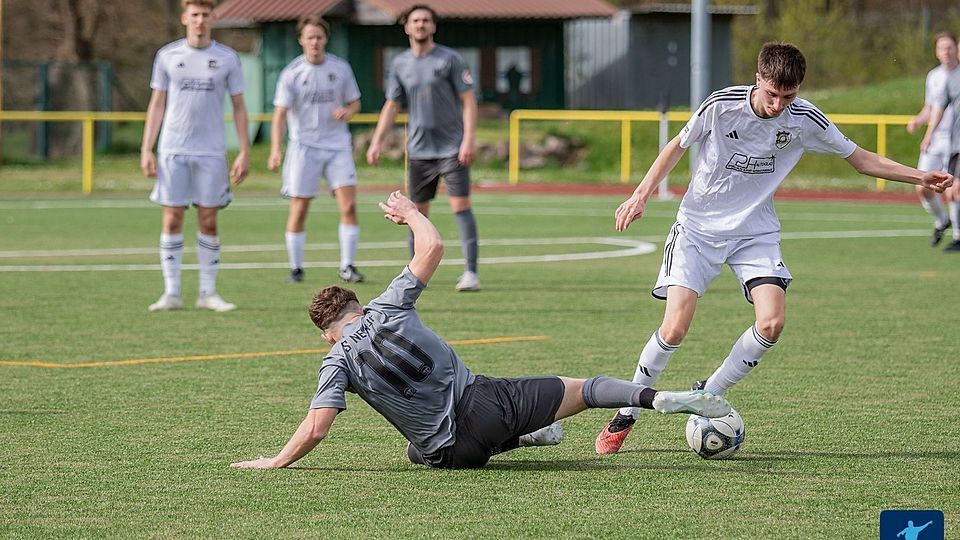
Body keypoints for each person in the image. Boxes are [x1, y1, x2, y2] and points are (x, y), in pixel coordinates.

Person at [595, 41, 954, 455]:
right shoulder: (722, 105)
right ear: (759, 79)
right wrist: (640, 195)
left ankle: (707, 395)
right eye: (773, 94)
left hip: (755, 233)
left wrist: (919, 177)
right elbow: (677, 145)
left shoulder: (804, 118)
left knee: (772, 323)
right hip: (697, 229)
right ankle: (628, 410)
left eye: (790, 95)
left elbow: (860, 159)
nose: (780, 104)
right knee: (675, 327)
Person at [230, 191, 732, 470]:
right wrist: (410, 214)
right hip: (485, 404)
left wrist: (276, 461)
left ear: (327, 333)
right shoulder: (386, 305)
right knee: (589, 389)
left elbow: (318, 427)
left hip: (453, 454)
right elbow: (432, 249)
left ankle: (532, 436)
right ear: (358, 308)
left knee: (414, 451)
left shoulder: (335, 361)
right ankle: (657, 398)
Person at [141, 0, 250, 312]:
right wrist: (146, 148)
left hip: (212, 151)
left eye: (205, 15)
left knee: (209, 219)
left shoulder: (227, 58)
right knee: (172, 217)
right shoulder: (167, 55)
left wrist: (243, 150)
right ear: (184, 18)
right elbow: (157, 103)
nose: (200, 20)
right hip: (173, 148)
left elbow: (239, 106)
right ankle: (171, 292)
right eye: (195, 15)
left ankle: (208, 292)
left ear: (212, 18)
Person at [366, 4, 481, 292]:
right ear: (406, 27)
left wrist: (468, 139)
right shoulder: (400, 64)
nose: (420, 25)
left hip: (452, 148)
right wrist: (377, 140)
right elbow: (392, 104)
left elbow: (468, 100)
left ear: (433, 27)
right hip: (418, 151)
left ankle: (470, 272)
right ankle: (415, 277)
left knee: (461, 207)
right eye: (415, 20)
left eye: (426, 20)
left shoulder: (450, 59)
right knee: (416, 213)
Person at [269, 15, 365, 284]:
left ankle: (347, 265)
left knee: (349, 205)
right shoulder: (292, 73)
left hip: (337, 146)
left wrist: (347, 111)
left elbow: (355, 103)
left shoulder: (340, 68)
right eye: (310, 37)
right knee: (299, 209)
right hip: (304, 148)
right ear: (301, 40)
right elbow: (280, 114)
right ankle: (296, 268)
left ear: (326, 39)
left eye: (319, 37)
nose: (315, 42)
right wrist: (276, 149)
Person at [907, 31, 960, 248]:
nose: (946, 51)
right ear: (936, 52)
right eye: (941, 48)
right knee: (922, 186)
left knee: (954, 187)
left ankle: (958, 235)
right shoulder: (934, 77)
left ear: (956, 48)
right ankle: (942, 220)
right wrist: (919, 123)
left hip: (955, 139)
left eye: (949, 47)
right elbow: (931, 108)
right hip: (936, 138)